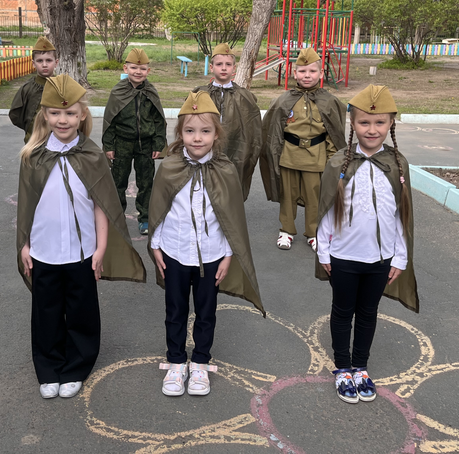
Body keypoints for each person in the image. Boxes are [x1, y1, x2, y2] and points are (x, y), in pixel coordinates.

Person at [16, 74, 147, 400]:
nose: (63, 120)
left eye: (70, 113)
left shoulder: (92, 155)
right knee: (46, 312)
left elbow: (102, 205)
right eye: (55, 113)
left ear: (82, 115)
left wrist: (100, 248)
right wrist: (25, 245)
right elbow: (26, 205)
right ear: (45, 114)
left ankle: (76, 366)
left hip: (81, 251)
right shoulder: (33, 156)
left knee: (81, 310)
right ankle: (48, 368)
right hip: (44, 249)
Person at [148, 91, 264, 397]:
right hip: (173, 252)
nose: (197, 138)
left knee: (206, 311)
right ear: (180, 133)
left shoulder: (225, 170)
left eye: (205, 131)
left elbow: (230, 217)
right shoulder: (169, 167)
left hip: (211, 257)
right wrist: (156, 246)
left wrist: (227, 255)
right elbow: (159, 209)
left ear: (216, 134)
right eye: (189, 131)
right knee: (174, 310)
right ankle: (176, 362)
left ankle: (200, 361)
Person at [315, 85, 419, 404]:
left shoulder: (397, 164)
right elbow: (326, 210)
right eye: (364, 122)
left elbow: (403, 215)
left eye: (379, 122)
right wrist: (323, 251)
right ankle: (342, 368)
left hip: (381, 259)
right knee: (342, 311)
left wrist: (400, 257)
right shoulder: (339, 163)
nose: (372, 129)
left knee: (368, 312)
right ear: (353, 124)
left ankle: (360, 367)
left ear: (391, 124)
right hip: (343, 256)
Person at [259, 48, 347, 252]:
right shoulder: (284, 100)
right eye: (302, 71)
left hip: (316, 157)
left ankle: (313, 232)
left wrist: (332, 159)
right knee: (287, 195)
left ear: (321, 73)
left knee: (314, 196)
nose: (307, 75)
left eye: (312, 71)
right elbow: (273, 131)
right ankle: (286, 230)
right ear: (294, 73)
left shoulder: (329, 101)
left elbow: (334, 133)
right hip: (289, 155)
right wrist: (274, 155)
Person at [102, 48, 167, 236]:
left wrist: (158, 144)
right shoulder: (118, 91)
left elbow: (158, 120)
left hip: (145, 145)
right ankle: (116, 217)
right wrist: (109, 146)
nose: (138, 72)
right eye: (133, 68)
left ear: (148, 71)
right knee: (118, 182)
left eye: (142, 68)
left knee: (146, 183)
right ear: (126, 68)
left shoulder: (150, 92)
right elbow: (110, 120)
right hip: (122, 144)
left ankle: (145, 218)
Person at [192, 43, 262, 201]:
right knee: (205, 187)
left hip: (235, 150)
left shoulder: (244, 96)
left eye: (228, 64)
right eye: (219, 64)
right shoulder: (200, 94)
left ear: (234, 68)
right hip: (206, 150)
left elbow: (253, 130)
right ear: (211, 67)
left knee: (230, 189)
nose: (223, 68)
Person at [9, 36, 59, 143]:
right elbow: (15, 114)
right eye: (40, 61)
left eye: (49, 60)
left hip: (58, 142)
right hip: (33, 141)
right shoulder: (27, 88)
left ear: (56, 62)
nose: (44, 64)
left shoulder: (62, 87)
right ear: (33, 63)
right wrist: (29, 128)